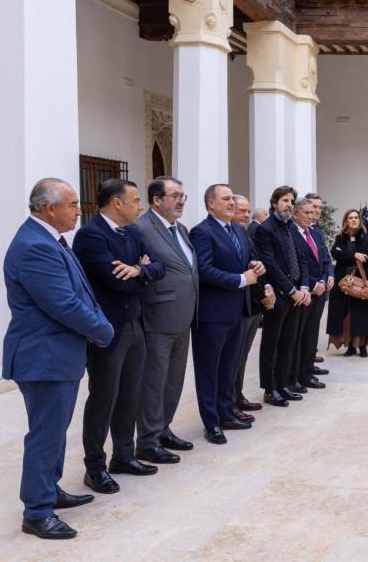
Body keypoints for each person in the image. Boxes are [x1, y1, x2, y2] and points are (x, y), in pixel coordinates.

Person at [4, 178, 114, 540]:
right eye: (73, 204)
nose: (79, 210)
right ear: (49, 209)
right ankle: (37, 511)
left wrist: (97, 323)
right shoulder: (35, 246)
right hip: (44, 357)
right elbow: (63, 304)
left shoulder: (49, 239)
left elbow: (80, 293)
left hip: (57, 355)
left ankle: (49, 490)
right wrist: (103, 330)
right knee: (46, 434)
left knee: (54, 430)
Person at [72, 179, 165, 493]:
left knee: (130, 394)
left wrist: (139, 270)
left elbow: (159, 267)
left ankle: (124, 456)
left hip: (135, 323)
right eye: (136, 200)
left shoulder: (133, 233)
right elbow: (116, 281)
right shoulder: (90, 235)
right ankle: (95, 467)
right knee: (104, 398)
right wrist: (140, 272)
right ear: (117, 203)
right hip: (108, 328)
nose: (140, 206)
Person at [189, 184, 266, 444]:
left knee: (228, 368)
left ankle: (226, 413)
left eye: (232, 198)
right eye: (226, 199)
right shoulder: (202, 232)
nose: (232, 202)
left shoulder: (238, 230)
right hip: (212, 314)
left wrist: (255, 265)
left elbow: (246, 261)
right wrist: (240, 279)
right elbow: (204, 270)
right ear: (211, 204)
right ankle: (211, 423)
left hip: (237, 311)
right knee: (209, 371)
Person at [134, 176, 199, 463]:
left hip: (183, 316)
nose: (181, 200)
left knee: (173, 381)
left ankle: (163, 429)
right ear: (156, 200)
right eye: (175, 196)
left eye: (183, 195)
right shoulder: (142, 229)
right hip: (157, 317)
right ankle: (147, 441)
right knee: (154, 382)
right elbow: (138, 268)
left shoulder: (180, 229)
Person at [255, 186, 310, 407]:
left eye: (292, 201)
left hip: (296, 295)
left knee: (288, 342)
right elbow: (270, 264)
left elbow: (302, 258)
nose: (289, 204)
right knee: (272, 343)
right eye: (285, 200)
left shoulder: (291, 228)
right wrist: (291, 290)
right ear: (274, 203)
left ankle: (283, 383)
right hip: (279, 295)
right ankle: (270, 389)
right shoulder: (265, 229)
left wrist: (304, 287)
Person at [229, 195, 274, 423]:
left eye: (248, 212)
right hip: (236, 305)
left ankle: (238, 396)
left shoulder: (244, 234)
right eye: (242, 211)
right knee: (232, 358)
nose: (246, 215)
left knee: (242, 355)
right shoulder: (229, 235)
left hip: (252, 304)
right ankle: (230, 401)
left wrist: (266, 287)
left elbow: (256, 265)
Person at [290, 197, 333, 389]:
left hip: (320, 291)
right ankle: (295, 374)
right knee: (298, 336)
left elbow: (325, 259)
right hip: (305, 292)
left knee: (311, 334)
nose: (311, 215)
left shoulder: (315, 233)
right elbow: (298, 265)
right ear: (295, 214)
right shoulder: (291, 233)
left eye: (313, 212)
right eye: (306, 212)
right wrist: (313, 284)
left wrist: (324, 279)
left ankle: (307, 372)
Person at [327, 209, 368, 357]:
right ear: (346, 221)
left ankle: (362, 346)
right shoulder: (340, 237)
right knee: (346, 315)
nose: (354, 220)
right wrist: (354, 254)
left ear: (359, 220)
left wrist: (347, 255)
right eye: (350, 218)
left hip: (361, 280)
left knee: (361, 314)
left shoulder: (367, 238)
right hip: (343, 281)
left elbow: (365, 257)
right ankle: (350, 346)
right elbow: (335, 253)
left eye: (356, 217)